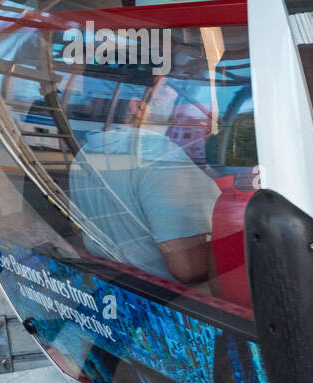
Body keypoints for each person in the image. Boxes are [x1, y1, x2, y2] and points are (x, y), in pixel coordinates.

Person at [69, 74, 219, 286]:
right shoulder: (159, 156)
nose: (175, 94)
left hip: (122, 290)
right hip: (177, 303)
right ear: (138, 107)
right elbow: (189, 268)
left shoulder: (86, 154)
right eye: (166, 89)